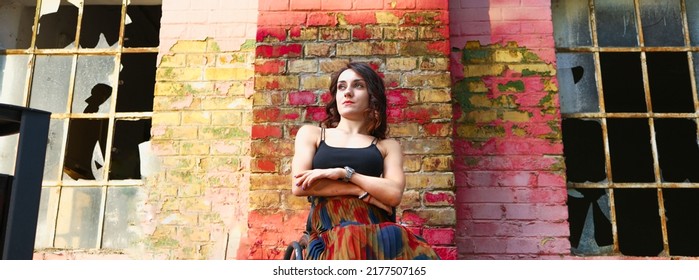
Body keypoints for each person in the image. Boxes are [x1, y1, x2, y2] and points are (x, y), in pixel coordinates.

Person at [291, 62, 440, 260]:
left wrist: (345, 173)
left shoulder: (387, 145)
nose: (348, 92)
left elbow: (394, 194)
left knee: (401, 239)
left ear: (372, 96)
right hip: (329, 227)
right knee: (350, 236)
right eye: (341, 87)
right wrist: (358, 190)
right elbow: (300, 185)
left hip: (375, 227)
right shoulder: (313, 134)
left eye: (358, 86)